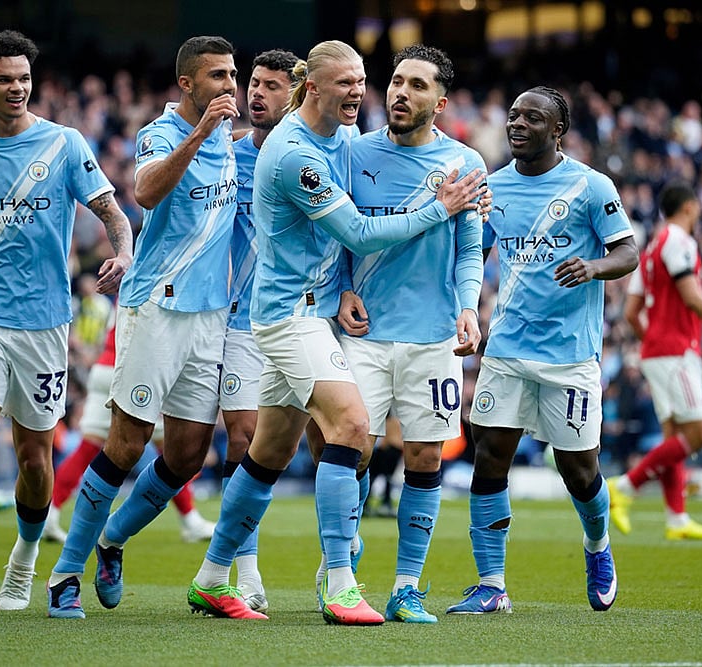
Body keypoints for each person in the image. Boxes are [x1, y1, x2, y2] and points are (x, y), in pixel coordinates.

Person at [186, 39, 485, 625]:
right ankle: (340, 581)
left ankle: (211, 577)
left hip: (318, 310)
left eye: (363, 80)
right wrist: (442, 206)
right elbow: (357, 230)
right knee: (352, 424)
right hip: (289, 316)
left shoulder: (343, 141)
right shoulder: (295, 152)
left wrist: (350, 284)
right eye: (347, 82)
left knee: (267, 453)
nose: (363, 92)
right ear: (313, 86)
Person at [47, 35, 238, 619]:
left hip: (209, 315)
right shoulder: (163, 131)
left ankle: (112, 540)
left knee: (185, 456)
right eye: (217, 76)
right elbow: (146, 191)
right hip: (155, 307)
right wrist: (203, 130)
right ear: (186, 84)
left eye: (233, 75)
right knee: (125, 444)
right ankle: (63, 576)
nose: (229, 86)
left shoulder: (234, 134)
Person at [0, 30, 133, 617]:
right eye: (4, 78)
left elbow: (113, 213)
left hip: (46, 320)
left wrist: (122, 252)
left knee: (34, 455)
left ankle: (23, 560)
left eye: (24, 78)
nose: (17, 88)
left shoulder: (65, 143)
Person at [447, 86, 638, 615]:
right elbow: (472, 252)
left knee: (577, 470)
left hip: (570, 356)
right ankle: (491, 585)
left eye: (532, 118)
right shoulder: (492, 187)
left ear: (558, 131)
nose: (517, 125)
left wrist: (593, 267)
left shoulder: (590, 186)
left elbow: (627, 251)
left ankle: (597, 546)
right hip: (506, 348)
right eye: (513, 116)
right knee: (489, 457)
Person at [333, 43, 487, 623]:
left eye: (417, 85)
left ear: (440, 102)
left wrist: (468, 308)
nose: (401, 92)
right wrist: (344, 286)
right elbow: (338, 233)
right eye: (397, 81)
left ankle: (406, 587)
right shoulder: (352, 152)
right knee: (348, 452)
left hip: (432, 338)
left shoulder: (465, 164)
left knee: (424, 457)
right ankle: (341, 572)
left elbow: (469, 252)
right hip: (365, 333)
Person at [609, 180, 702, 540]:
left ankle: (676, 519)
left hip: (658, 351)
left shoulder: (653, 247)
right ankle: (623, 487)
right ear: (689, 207)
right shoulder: (678, 241)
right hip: (676, 351)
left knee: (673, 436)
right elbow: (691, 295)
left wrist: (652, 341)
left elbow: (630, 312)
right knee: (698, 434)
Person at [216, 48, 303, 614]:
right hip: (239, 323)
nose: (256, 93)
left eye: (272, 86)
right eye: (254, 82)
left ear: (296, 96)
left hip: (308, 320)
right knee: (243, 437)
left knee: (341, 443)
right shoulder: (224, 158)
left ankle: (337, 565)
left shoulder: (327, 156)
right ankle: (242, 569)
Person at [41, 318, 215, 545]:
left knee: (88, 449)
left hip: (105, 366)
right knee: (176, 454)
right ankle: (190, 519)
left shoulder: (126, 285)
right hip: (137, 371)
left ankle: (50, 514)